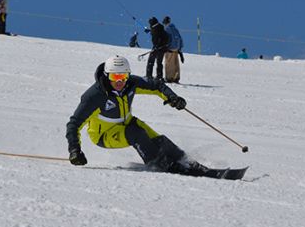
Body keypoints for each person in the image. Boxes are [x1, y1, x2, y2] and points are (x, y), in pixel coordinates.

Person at [66, 55, 207, 175]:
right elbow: (74, 124)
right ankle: (160, 164)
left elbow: (156, 85)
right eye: (115, 76)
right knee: (136, 133)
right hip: (104, 135)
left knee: (158, 139)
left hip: (127, 123)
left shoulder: (131, 83)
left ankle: (185, 160)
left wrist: (173, 98)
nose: (120, 81)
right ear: (107, 75)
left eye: (123, 76)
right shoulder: (94, 96)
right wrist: (74, 150)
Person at [144, 17, 169, 81]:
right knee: (159, 62)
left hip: (158, 47)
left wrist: (156, 47)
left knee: (150, 61)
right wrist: (150, 30)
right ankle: (159, 76)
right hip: (163, 47)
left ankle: (149, 76)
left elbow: (155, 39)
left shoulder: (155, 29)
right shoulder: (160, 27)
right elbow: (159, 33)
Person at [162, 16, 184, 83]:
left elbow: (166, 39)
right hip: (176, 49)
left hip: (170, 49)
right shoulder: (175, 29)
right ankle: (176, 77)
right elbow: (180, 39)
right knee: (175, 63)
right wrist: (179, 49)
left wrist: (165, 46)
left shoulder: (166, 29)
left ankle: (169, 78)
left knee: (168, 63)